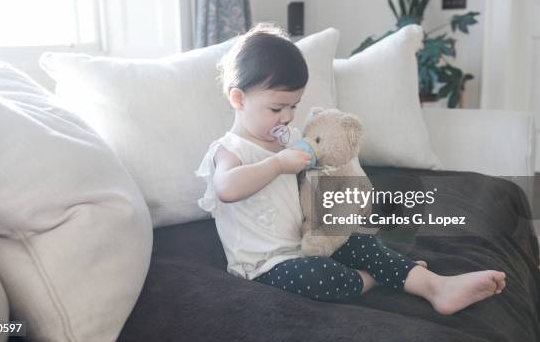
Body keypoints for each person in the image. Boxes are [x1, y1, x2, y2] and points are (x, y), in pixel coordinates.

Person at [195, 23, 506, 315]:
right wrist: (277, 164)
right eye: (277, 108)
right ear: (239, 99)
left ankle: (437, 286)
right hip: (265, 265)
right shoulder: (229, 150)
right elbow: (227, 189)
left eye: (294, 105)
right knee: (322, 278)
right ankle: (375, 278)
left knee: (360, 241)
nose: (287, 116)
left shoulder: (287, 139)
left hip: (308, 240)